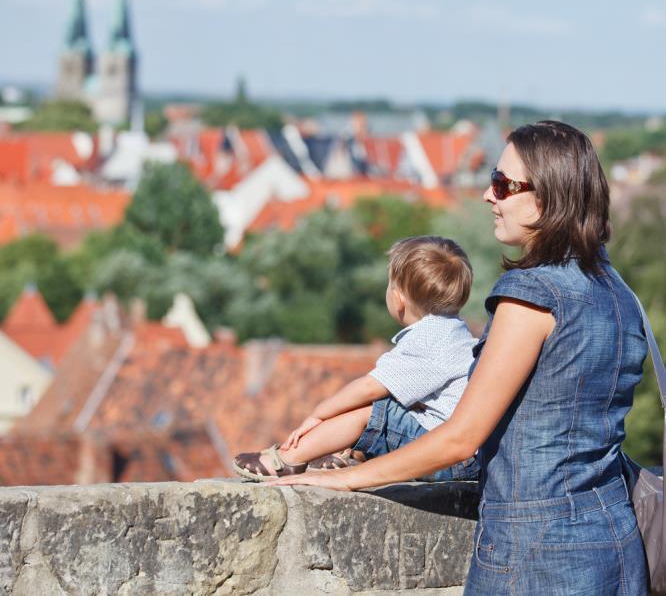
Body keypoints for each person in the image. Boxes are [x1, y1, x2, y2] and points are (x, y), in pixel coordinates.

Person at [270, 121, 649, 596]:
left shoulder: (532, 296)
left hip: (536, 552)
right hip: (614, 537)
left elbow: (461, 438)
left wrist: (347, 479)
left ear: (549, 198)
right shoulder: (616, 291)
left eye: (503, 185)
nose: (489, 196)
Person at [233, 235, 480, 484]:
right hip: (463, 457)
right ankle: (350, 454)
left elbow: (368, 388)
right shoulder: (456, 332)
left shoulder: (427, 339)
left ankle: (288, 459)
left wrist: (319, 414)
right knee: (393, 407)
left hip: (447, 458)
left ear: (398, 298)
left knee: (372, 413)